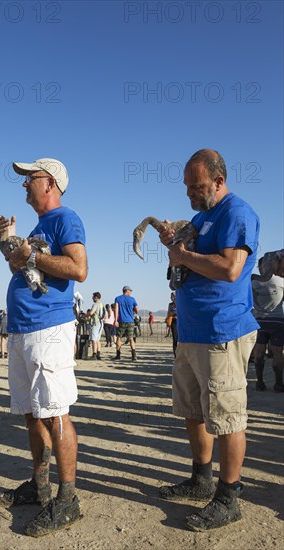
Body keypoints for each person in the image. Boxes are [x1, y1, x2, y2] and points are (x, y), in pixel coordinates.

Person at [158, 149, 260, 531]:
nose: (190, 195)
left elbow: (232, 268)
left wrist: (182, 256)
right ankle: (201, 480)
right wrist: (176, 246)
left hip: (223, 331)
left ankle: (228, 496)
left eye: (197, 187)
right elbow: (182, 258)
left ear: (218, 181)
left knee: (228, 418)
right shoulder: (201, 219)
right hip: (192, 331)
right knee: (193, 411)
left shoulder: (237, 212)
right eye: (187, 187)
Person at [0, 157, 87, 537]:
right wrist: (9, 243)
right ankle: (40, 484)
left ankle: (68, 499)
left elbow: (78, 269)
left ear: (49, 182)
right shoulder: (37, 227)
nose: (23, 185)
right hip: (23, 329)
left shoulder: (66, 218)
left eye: (29, 179)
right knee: (32, 413)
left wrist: (31, 254)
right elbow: (24, 268)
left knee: (54, 412)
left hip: (48, 330)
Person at [252, 263, 284, 392]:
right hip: (278, 321)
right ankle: (278, 384)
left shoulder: (252, 282)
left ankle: (260, 383)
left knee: (259, 352)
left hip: (259, 321)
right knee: (277, 352)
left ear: (261, 268)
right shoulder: (281, 280)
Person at [114, 286, 138, 362]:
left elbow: (116, 309)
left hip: (121, 320)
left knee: (119, 337)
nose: (131, 292)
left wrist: (115, 320)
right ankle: (134, 356)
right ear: (127, 291)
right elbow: (137, 309)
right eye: (130, 291)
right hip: (130, 321)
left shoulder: (118, 298)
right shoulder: (132, 299)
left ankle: (118, 355)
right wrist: (134, 311)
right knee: (131, 338)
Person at [85, 292, 104, 360]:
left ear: (96, 297)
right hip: (101, 322)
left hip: (95, 323)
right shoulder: (101, 304)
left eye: (93, 297)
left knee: (93, 339)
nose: (92, 298)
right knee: (98, 339)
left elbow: (91, 312)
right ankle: (98, 354)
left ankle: (94, 354)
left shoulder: (96, 304)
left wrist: (85, 315)